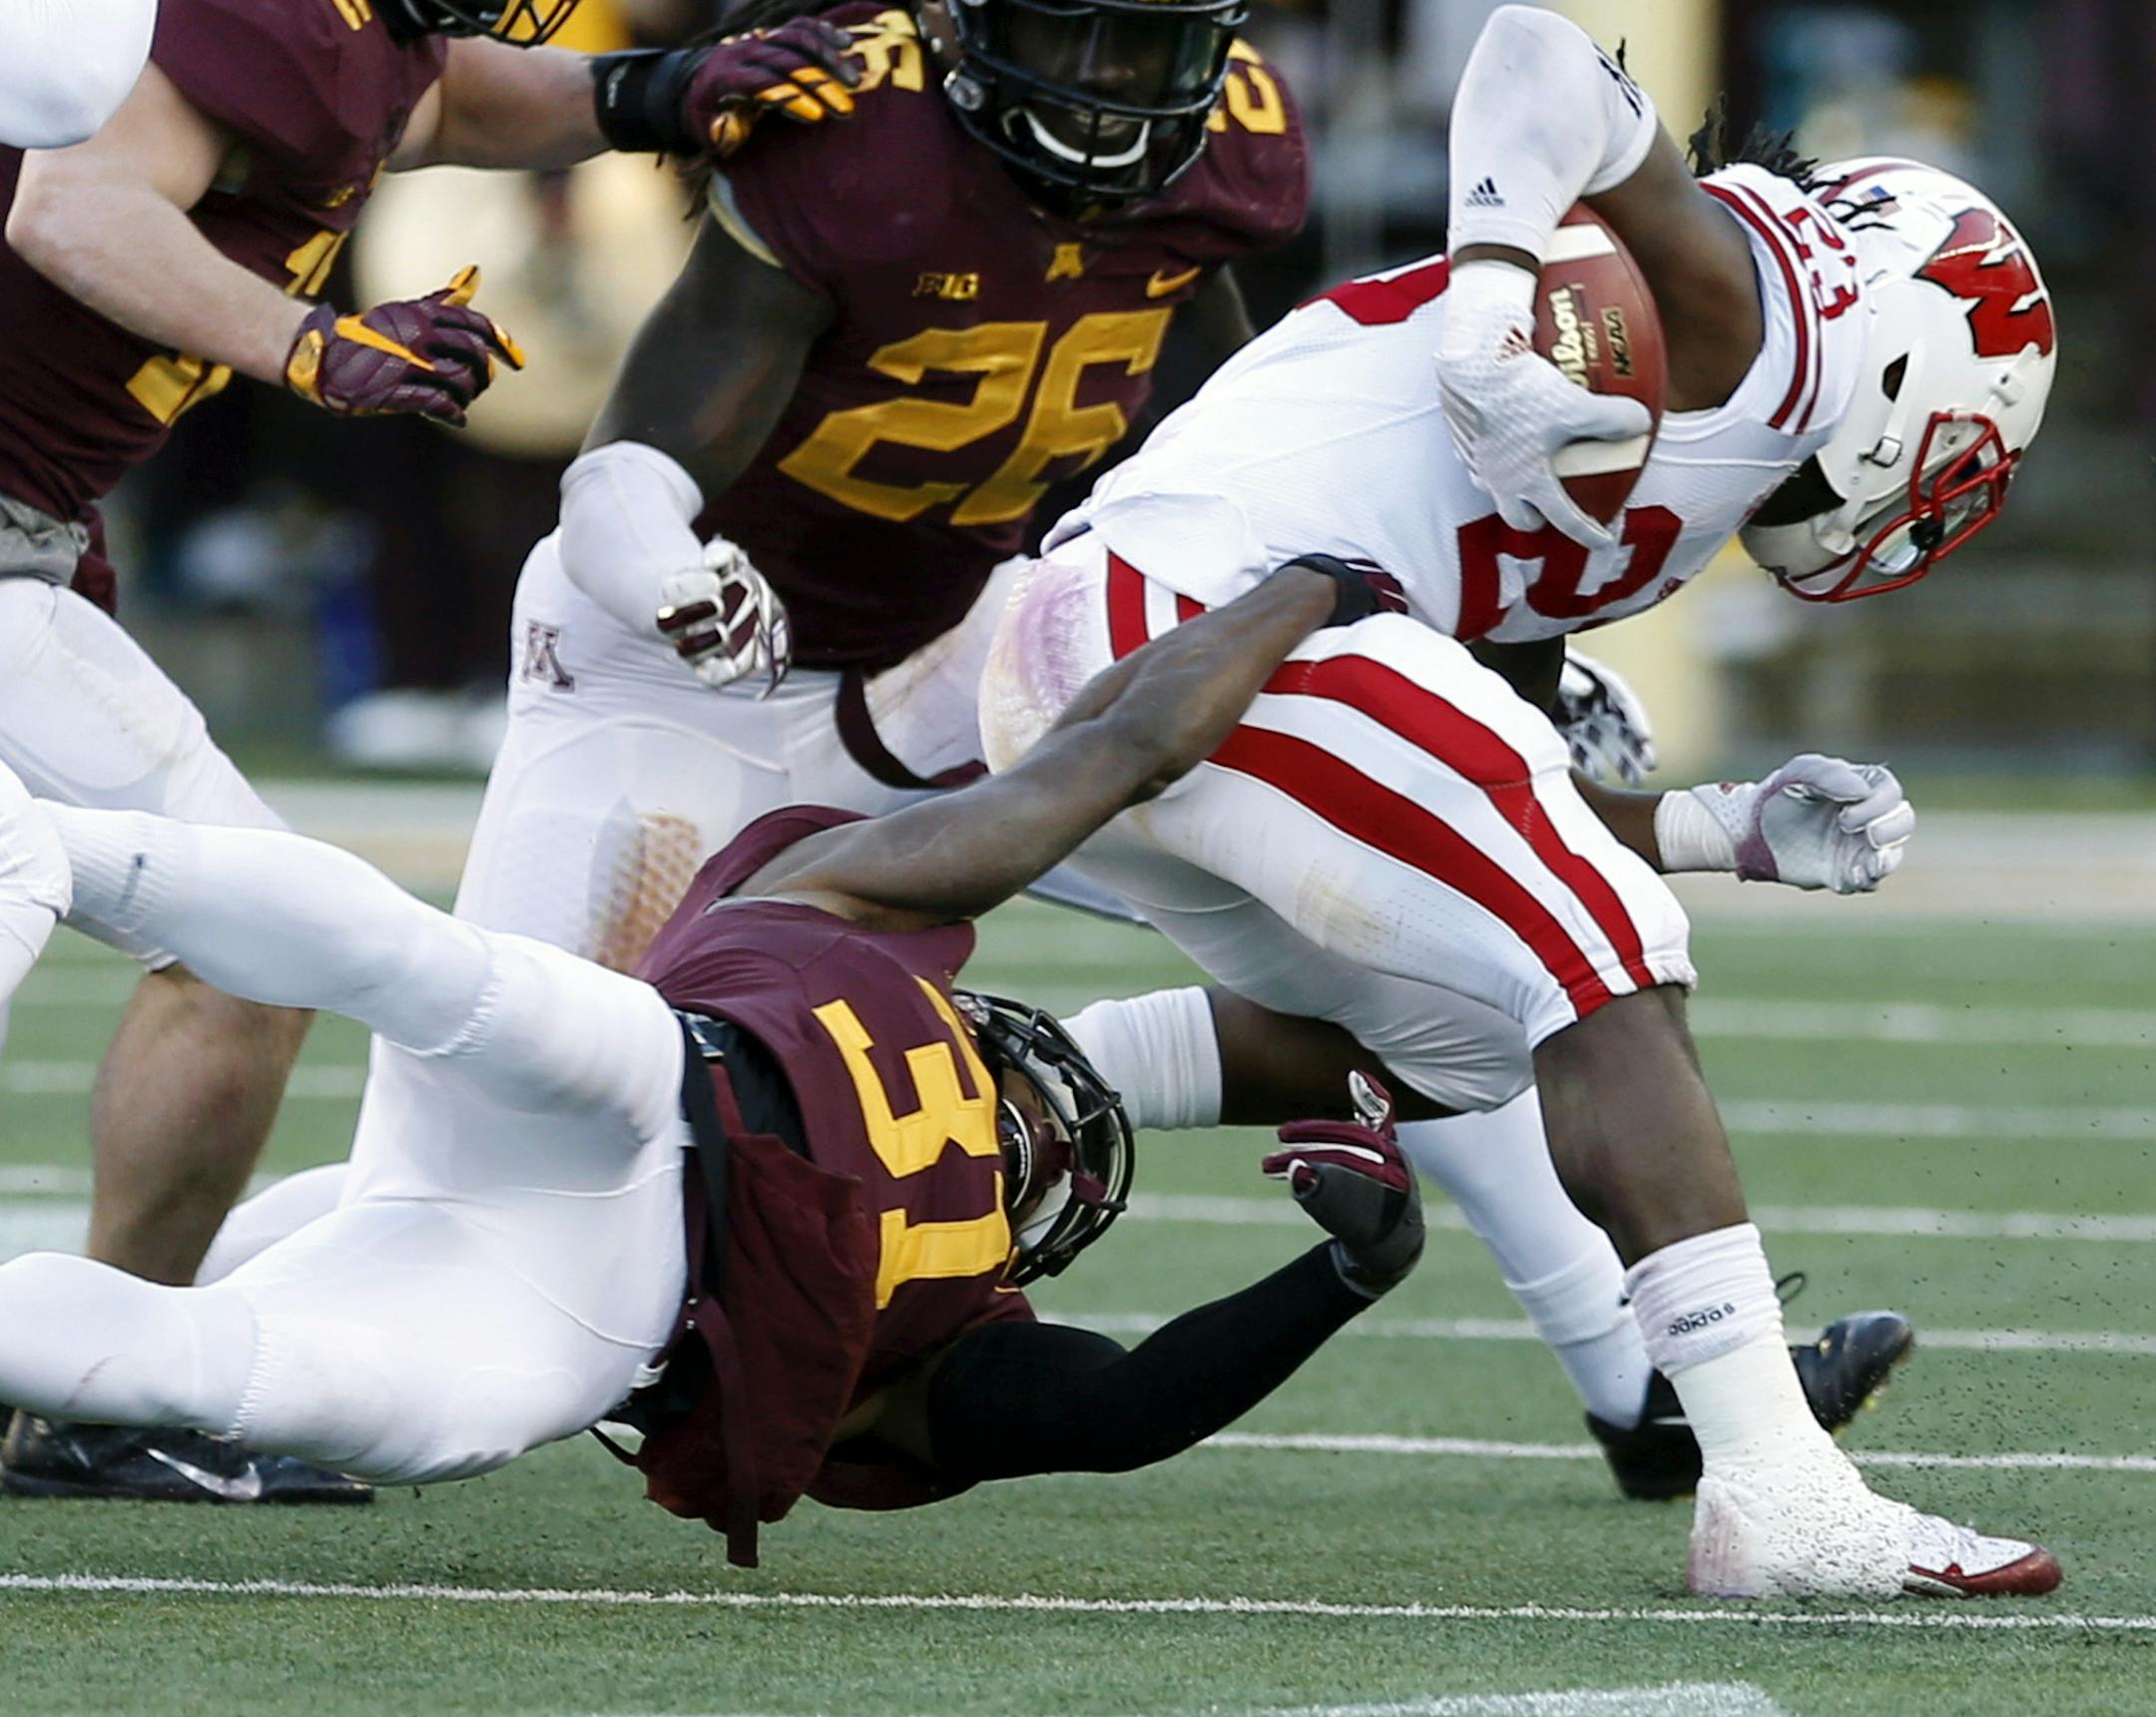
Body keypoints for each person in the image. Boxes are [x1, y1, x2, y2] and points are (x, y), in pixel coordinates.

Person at [968, 6, 2061, 1597]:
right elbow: (1538, 53)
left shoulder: (1678, 489)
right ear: (1920, 356)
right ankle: (1776, 1490)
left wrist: (1723, 827)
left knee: (1484, 1036)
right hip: (1195, 617)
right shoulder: (1769, 328)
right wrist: (1494, 297)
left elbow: (1509, 800)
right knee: (1604, 951)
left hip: (1126, 653)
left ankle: (988, 1082)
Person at [0, 556, 1425, 1562]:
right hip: (604, 1259)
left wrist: (1304, 587)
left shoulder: (849, 915)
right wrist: (1341, 1278)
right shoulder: (959, 1292)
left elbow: (1105, 757)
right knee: (384, 1044)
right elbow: (1127, 1409)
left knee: (387, 1039)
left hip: (598, 1182)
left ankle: (52, 847)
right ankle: (41, 845)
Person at [0, 0, 863, 1500]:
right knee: (251, 938)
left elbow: (449, 105)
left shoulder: (354, 37)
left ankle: (95, 1384)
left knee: (250, 942)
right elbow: (70, 206)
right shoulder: (264, 14)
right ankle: (91, 1393)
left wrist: (657, 91)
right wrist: (307, 345)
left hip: (25, 537)